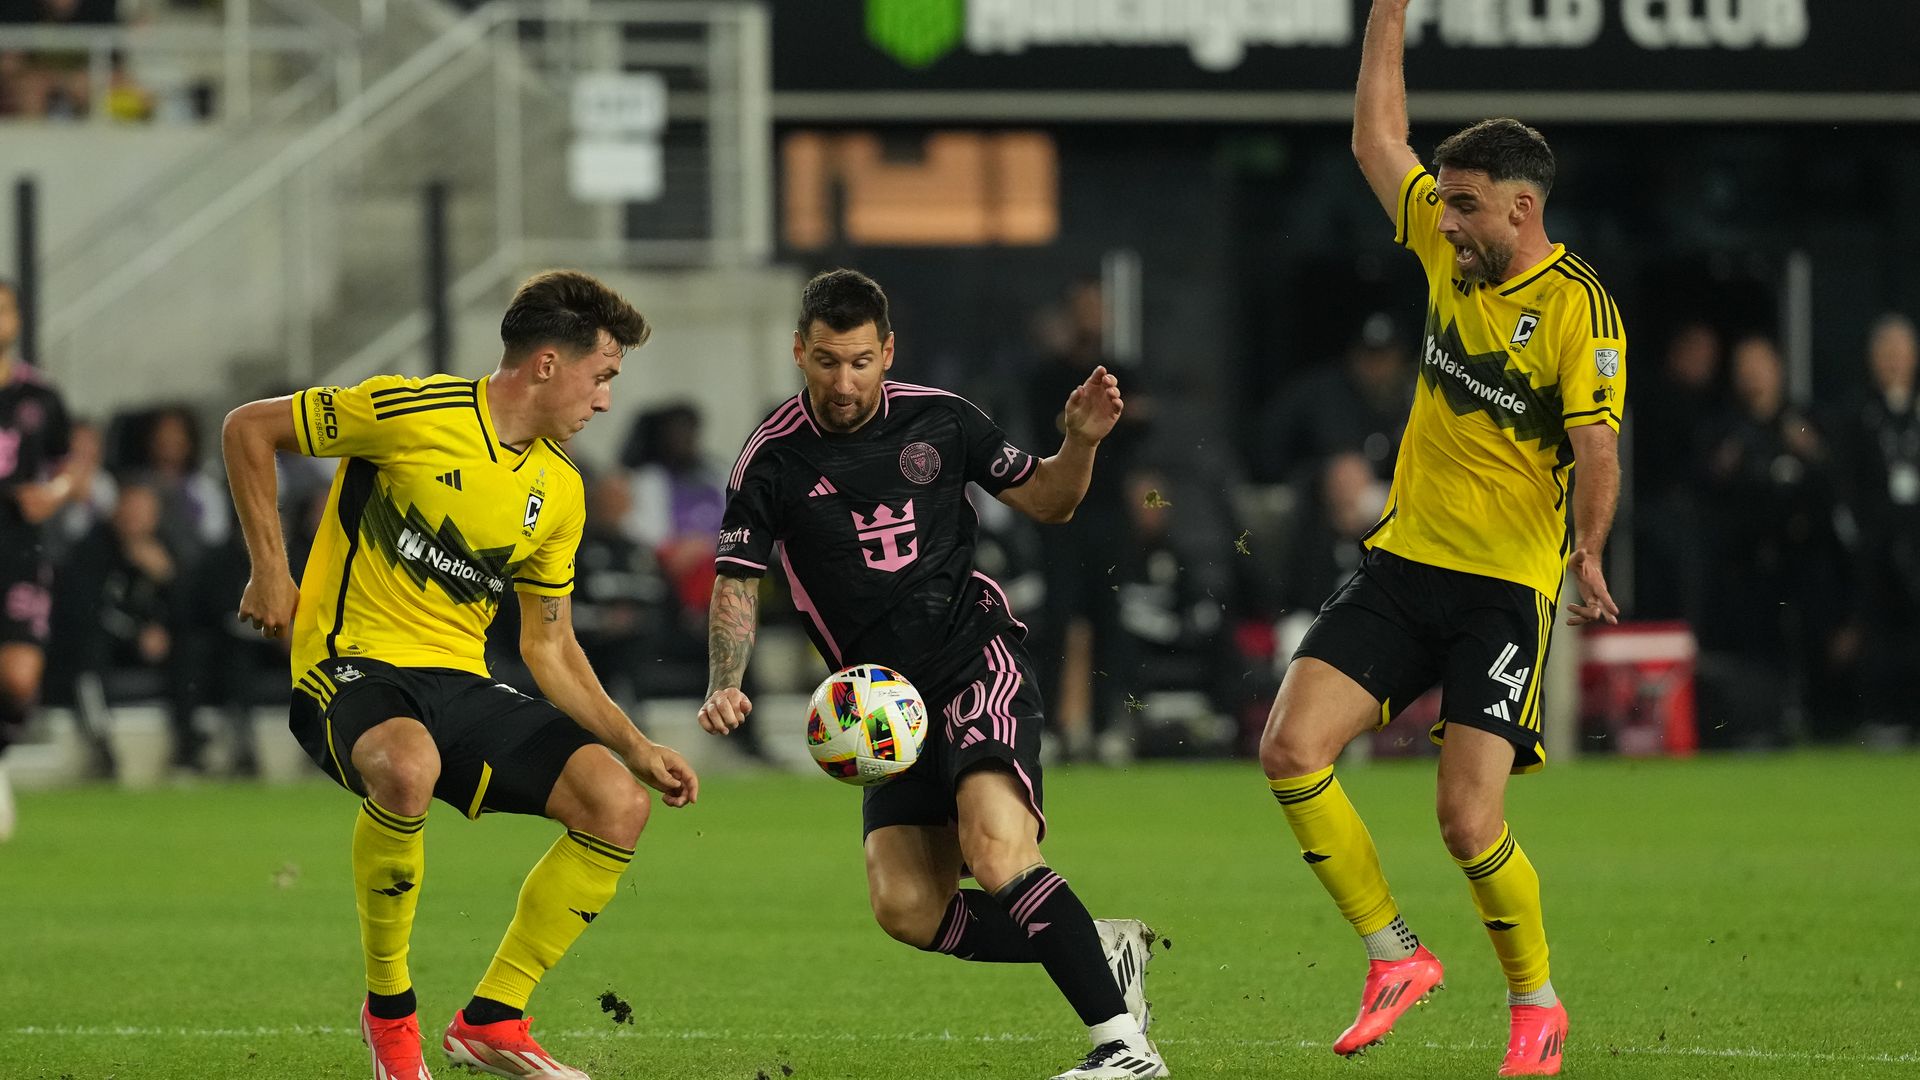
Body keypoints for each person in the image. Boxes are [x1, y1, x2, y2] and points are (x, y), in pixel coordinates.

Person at [1257, 4, 1628, 1075]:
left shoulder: (1578, 312)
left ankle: (1536, 1005)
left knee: (1467, 821)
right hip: (1403, 561)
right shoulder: (1447, 246)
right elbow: (1379, 140)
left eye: (1465, 206)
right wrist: (1386, 12)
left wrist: (1587, 551)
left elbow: (1597, 449)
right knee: (1290, 747)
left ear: (1523, 206)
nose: (1445, 221)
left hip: (1503, 590)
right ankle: (1394, 955)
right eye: (1445, 204)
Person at [222, 270, 699, 1080]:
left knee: (616, 804)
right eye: (603, 375)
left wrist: (634, 746)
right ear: (547, 364)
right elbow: (246, 430)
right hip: (349, 666)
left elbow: (550, 649)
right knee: (407, 767)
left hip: (461, 682)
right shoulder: (413, 412)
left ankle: (493, 1020)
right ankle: (390, 1016)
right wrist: (273, 569)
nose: (607, 400)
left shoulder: (560, 490)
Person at [698, 269, 1166, 1080]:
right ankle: (1103, 949)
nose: (842, 383)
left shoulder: (944, 421)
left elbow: (1050, 502)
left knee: (996, 849)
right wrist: (724, 679)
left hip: (971, 656)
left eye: (858, 362)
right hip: (881, 703)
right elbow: (738, 578)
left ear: (887, 352)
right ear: (798, 352)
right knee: (908, 908)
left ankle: (1123, 1048)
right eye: (824, 363)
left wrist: (1081, 443)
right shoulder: (769, 460)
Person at [0, 277, 94, 841]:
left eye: (5, 307)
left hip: (17, 548)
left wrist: (54, 494)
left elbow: (71, 466)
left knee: (17, 678)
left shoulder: (41, 397)